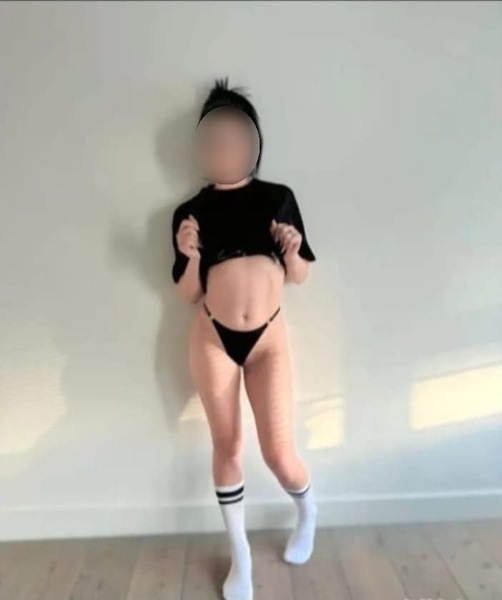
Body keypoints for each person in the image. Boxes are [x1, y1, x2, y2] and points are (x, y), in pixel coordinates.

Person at [171, 79, 317, 600]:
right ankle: (241, 556)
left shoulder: (278, 198)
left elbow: (300, 276)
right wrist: (189, 255)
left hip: (268, 338)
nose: (224, 147)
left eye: (235, 137)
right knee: (227, 445)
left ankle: (307, 512)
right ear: (202, 146)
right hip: (213, 336)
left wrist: (293, 250)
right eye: (214, 138)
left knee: (279, 453)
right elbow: (189, 293)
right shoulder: (190, 212)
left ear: (253, 144)